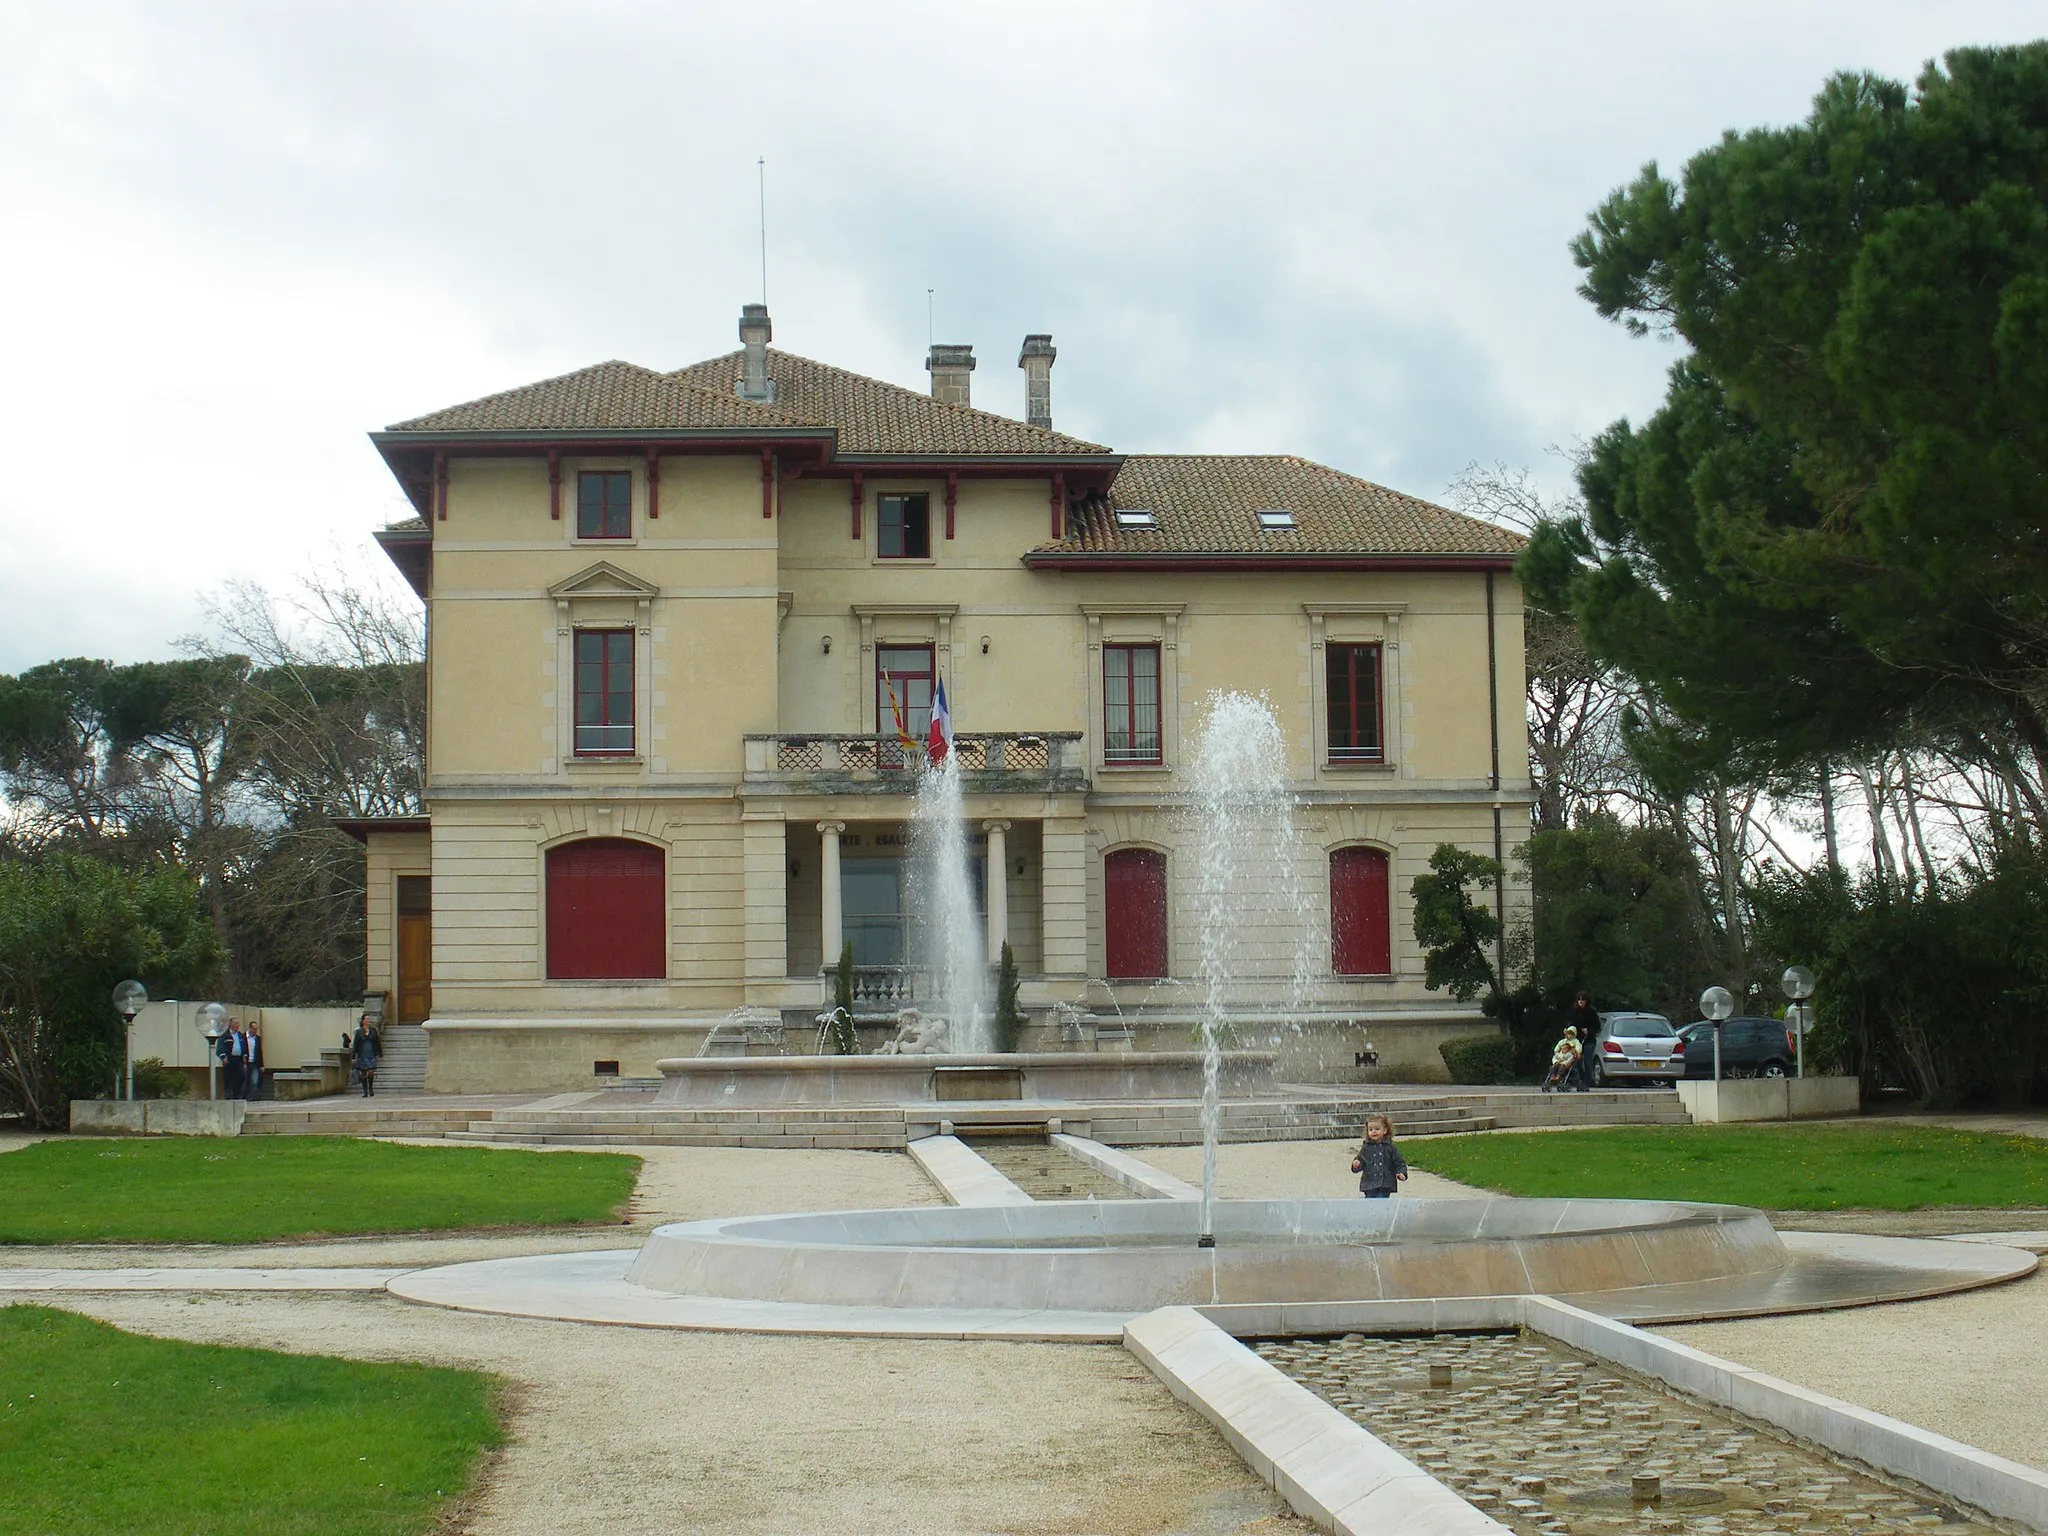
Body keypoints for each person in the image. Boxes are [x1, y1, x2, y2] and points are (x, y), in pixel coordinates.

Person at [1348, 1113, 1408, 1199]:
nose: (1373, 1131)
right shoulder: (1366, 1147)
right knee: (1370, 1203)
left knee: (1381, 1201)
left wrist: (1401, 1173)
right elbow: (1361, 1160)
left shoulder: (1389, 1147)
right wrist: (1356, 1164)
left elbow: (1399, 1162)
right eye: (1370, 1129)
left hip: (1385, 1184)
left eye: (1377, 1129)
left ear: (1385, 1130)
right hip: (1369, 1183)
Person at [1568, 992, 1601, 1092]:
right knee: (1576, 1061)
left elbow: (1597, 1026)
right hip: (1577, 1040)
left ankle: (1587, 1083)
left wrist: (1589, 1030)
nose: (1581, 1002)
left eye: (1583, 1000)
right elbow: (1570, 1024)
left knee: (1587, 1061)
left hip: (1589, 1040)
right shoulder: (1574, 1011)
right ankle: (1581, 1080)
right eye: (1579, 1000)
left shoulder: (1591, 1012)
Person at [1543, 1026, 1582, 1092]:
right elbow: (1556, 1049)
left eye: (1571, 1034)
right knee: (1553, 1066)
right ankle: (1553, 1075)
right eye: (1568, 1033)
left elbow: (1578, 1050)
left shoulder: (1576, 1042)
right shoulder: (1562, 1041)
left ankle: (1558, 1076)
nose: (1569, 1035)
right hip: (1560, 1058)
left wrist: (1576, 1053)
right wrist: (1557, 1058)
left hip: (1567, 1061)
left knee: (1563, 1067)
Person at [352, 1021, 380, 1097]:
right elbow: (355, 1044)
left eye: (369, 1019)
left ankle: (370, 1087)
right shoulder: (359, 1031)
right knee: (363, 1074)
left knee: (371, 1072)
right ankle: (365, 1091)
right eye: (367, 1019)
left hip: (371, 1054)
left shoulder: (373, 1030)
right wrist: (353, 1056)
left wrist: (380, 1053)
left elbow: (377, 1041)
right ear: (363, 1021)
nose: (368, 1020)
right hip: (362, 1054)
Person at [243, 1020, 263, 1100]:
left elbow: (260, 1051)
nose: (255, 1031)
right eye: (254, 1029)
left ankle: (250, 1098)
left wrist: (262, 1065)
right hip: (245, 1062)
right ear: (250, 1028)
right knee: (245, 1081)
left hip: (255, 1063)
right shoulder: (243, 1037)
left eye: (256, 1029)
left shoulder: (257, 1038)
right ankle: (243, 1097)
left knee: (254, 1081)